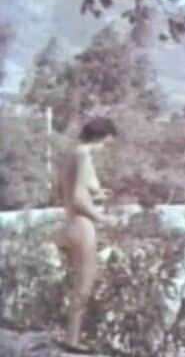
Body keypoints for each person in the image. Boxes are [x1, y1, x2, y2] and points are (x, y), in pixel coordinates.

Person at [53, 117, 118, 352]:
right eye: (107, 142)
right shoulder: (83, 156)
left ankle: (71, 337)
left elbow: (62, 193)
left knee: (77, 284)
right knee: (84, 285)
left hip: (68, 223)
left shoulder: (70, 154)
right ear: (101, 137)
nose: (105, 147)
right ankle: (72, 341)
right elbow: (78, 199)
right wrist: (103, 218)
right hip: (82, 226)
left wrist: (96, 195)